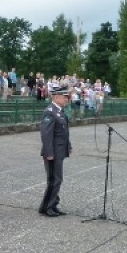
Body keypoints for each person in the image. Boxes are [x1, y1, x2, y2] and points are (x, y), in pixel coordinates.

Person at [39, 86, 73, 217]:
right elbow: (46, 135)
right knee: (54, 180)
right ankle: (48, 207)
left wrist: (68, 146)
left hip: (59, 150)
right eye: (64, 97)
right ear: (56, 97)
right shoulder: (50, 112)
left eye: (67, 97)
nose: (66, 99)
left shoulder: (59, 111)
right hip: (53, 152)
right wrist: (49, 153)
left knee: (57, 179)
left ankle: (51, 204)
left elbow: (63, 132)